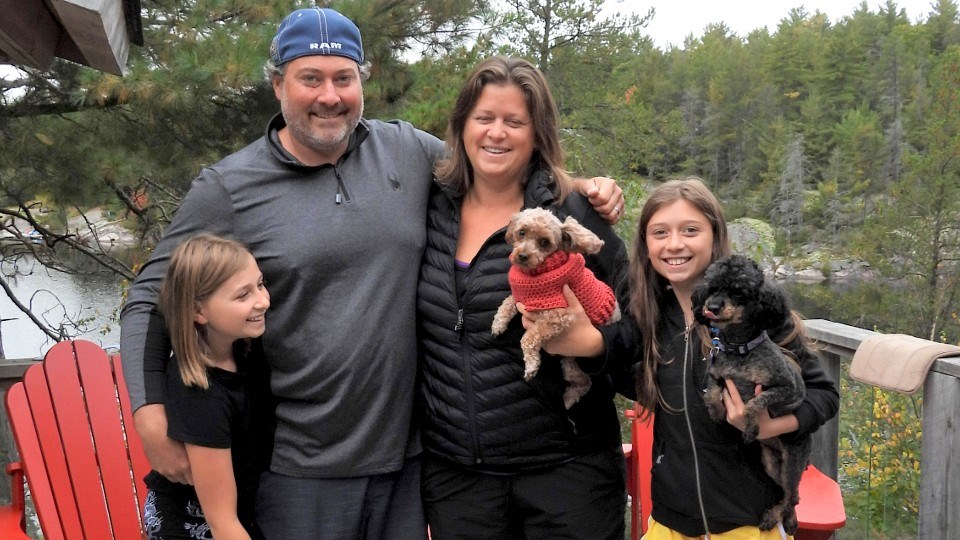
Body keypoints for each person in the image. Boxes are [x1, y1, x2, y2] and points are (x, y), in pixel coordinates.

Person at [119, 7, 623, 540]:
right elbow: (151, 295)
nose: (329, 96)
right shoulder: (230, 187)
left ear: (363, 79)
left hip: (410, 462)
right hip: (299, 466)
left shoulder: (406, 150)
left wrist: (583, 187)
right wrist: (149, 410)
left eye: (343, 77)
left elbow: (493, 159)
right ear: (277, 85)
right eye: (309, 78)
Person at [547, 177, 840, 539]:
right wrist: (587, 348)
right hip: (670, 523)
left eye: (690, 230)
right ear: (646, 245)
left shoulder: (757, 319)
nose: (674, 244)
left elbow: (824, 395)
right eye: (660, 233)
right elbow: (630, 379)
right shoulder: (650, 319)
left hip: (746, 524)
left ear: (715, 236)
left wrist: (769, 426)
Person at [416, 56, 635, 540]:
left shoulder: (573, 215)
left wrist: (596, 347)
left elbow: (642, 330)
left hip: (567, 477)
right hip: (459, 481)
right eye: (484, 118)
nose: (497, 133)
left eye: (514, 121)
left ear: (537, 133)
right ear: (461, 126)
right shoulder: (425, 205)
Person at [142, 233, 270, 540]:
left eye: (261, 284)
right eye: (243, 295)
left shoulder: (245, 352)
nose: (263, 301)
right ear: (199, 311)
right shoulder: (199, 393)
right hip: (190, 528)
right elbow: (222, 522)